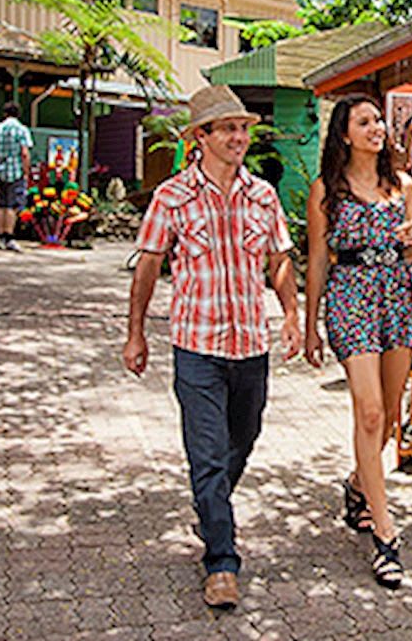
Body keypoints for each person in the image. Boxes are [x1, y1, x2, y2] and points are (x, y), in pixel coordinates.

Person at [123, 85, 302, 611]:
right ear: (201, 137)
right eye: (227, 129)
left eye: (243, 128)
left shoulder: (263, 196)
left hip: (250, 344)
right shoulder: (172, 197)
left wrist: (291, 314)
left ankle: (210, 506)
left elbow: (280, 260)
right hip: (196, 346)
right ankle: (221, 562)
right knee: (206, 454)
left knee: (242, 439)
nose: (239, 137)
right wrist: (135, 332)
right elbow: (148, 266)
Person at [304, 95, 412, 587]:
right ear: (344, 134)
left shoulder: (404, 186)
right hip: (350, 297)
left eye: (378, 120)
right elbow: (316, 259)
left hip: (396, 297)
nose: (377, 127)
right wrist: (309, 324)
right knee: (369, 412)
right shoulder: (325, 191)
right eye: (364, 121)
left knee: (390, 417)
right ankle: (385, 534)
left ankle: (358, 486)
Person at [0, 101, 33, 251]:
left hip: (2, 170)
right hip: (16, 170)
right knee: (12, 205)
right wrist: (26, 170)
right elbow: (24, 152)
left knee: (2, 204)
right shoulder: (22, 130)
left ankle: (1, 237)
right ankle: (9, 236)